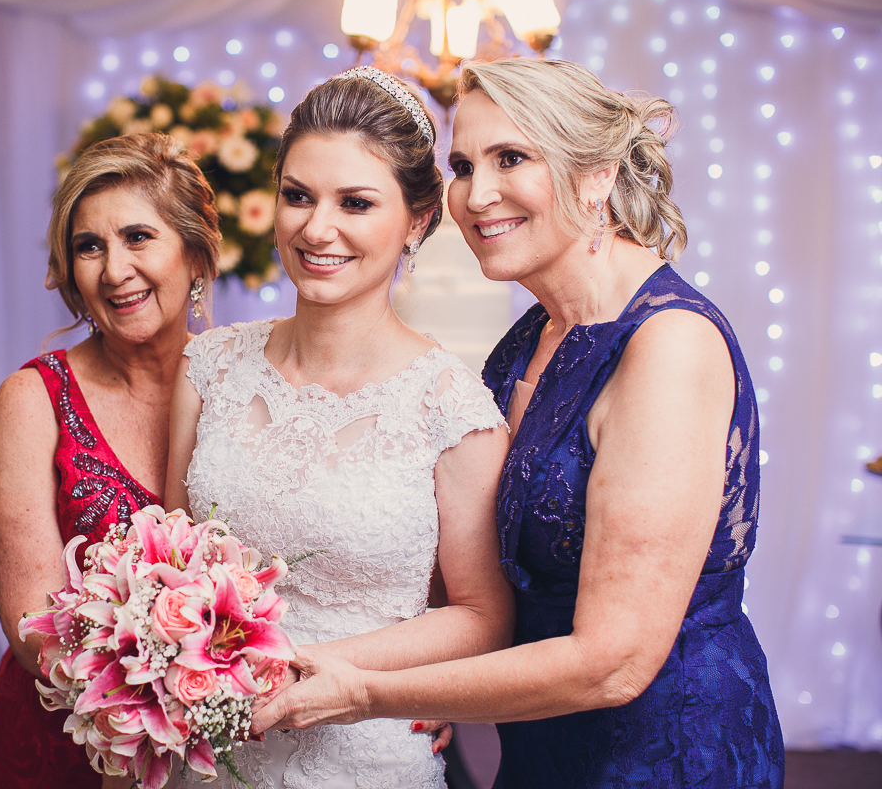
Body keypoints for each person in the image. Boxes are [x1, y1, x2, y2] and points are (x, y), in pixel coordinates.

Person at [253, 58, 785, 789]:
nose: (477, 194)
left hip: (664, 750)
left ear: (597, 174)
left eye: (512, 158)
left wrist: (373, 693)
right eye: (464, 165)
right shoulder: (532, 334)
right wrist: (438, 679)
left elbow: (615, 661)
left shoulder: (668, 346)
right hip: (540, 744)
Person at [162, 66, 514, 789]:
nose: (316, 228)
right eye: (298, 196)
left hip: (367, 755)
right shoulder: (210, 363)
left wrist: (335, 673)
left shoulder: (452, 404)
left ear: (417, 220)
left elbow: (483, 616)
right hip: (208, 749)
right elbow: (174, 557)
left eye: (355, 202)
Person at [0, 132, 221, 789]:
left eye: (139, 237)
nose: (114, 270)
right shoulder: (33, 398)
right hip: (72, 738)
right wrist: (153, 704)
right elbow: (31, 622)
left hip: (231, 733)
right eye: (90, 246)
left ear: (195, 254)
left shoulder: (242, 383)